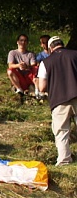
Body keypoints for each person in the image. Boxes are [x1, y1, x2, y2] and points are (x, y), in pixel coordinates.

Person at [36, 36, 77, 166]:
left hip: (59, 100)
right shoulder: (75, 54)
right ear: (62, 44)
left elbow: (42, 87)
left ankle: (64, 160)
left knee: (61, 132)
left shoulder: (46, 62)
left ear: (50, 48)